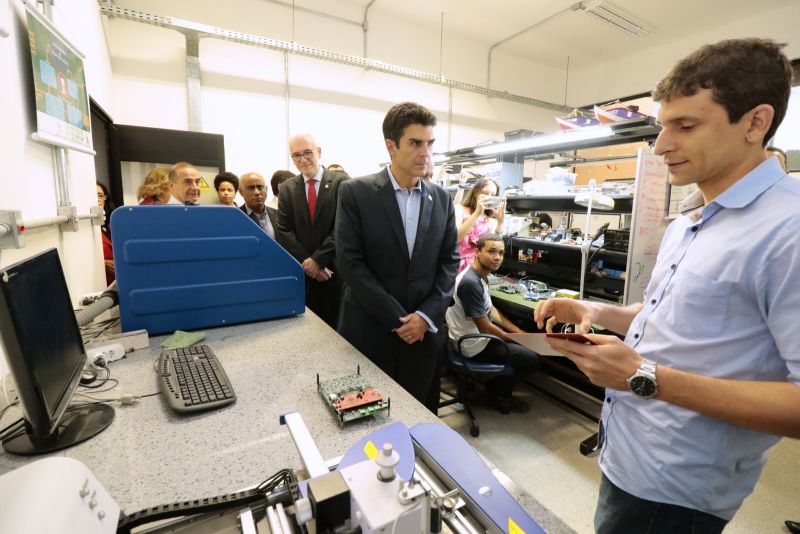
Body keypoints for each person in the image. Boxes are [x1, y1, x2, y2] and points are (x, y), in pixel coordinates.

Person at [533, 38, 799, 533]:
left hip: (678, 488)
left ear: (755, 122)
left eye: (687, 125)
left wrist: (644, 376)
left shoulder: (789, 229)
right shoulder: (691, 221)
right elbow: (672, 317)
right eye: (662, 126)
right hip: (627, 453)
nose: (660, 146)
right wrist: (592, 310)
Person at [336, 102, 459, 411]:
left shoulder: (442, 199)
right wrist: (399, 319)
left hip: (423, 336)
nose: (425, 152)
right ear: (391, 146)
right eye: (415, 143)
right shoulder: (356, 193)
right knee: (364, 418)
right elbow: (351, 262)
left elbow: (449, 262)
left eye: (430, 143)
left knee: (417, 417)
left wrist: (425, 317)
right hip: (370, 330)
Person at [446, 233, 540, 413]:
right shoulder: (471, 283)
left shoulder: (480, 274)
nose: (497, 257)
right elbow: (485, 327)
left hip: (476, 338)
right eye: (491, 251)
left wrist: (519, 332)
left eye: (501, 253)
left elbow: (491, 311)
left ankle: (489, 387)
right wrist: (518, 340)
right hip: (473, 345)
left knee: (523, 340)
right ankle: (497, 394)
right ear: (477, 252)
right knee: (531, 359)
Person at [275, 135, 348, 329]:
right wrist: (309, 263)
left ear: (319, 152)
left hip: (334, 272)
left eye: (308, 152)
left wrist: (319, 260)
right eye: (297, 155)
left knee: (337, 331)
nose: (303, 159)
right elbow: (283, 230)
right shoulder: (288, 188)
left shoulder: (343, 183)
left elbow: (343, 226)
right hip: (304, 275)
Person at [455, 177, 505, 273]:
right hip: (455, 268)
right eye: (485, 193)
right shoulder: (459, 210)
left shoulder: (491, 221)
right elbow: (456, 238)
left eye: (493, 195)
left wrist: (500, 223)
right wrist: (476, 214)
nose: (489, 197)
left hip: (478, 272)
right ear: (475, 193)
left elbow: (496, 249)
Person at [239, 172, 277, 238]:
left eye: (260, 187)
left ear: (266, 189)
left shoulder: (278, 215)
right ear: (241, 192)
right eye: (251, 188)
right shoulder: (237, 217)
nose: (257, 192)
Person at [96, 183, 115, 285]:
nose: (98, 199)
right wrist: (103, 264)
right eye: (94, 195)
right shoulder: (85, 229)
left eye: (100, 195)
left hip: (115, 282)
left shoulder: (109, 225)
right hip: (100, 283)